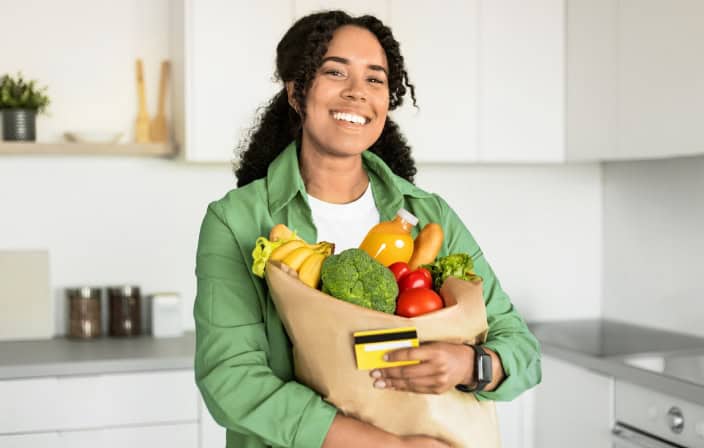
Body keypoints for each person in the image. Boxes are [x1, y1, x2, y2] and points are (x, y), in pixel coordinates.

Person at [194, 10, 541, 448]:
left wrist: (471, 365)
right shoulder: (239, 220)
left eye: (375, 79)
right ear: (297, 93)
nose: (357, 92)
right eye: (335, 72)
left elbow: (521, 348)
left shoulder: (428, 215)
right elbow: (231, 380)